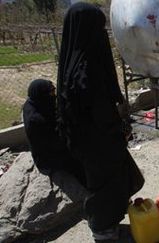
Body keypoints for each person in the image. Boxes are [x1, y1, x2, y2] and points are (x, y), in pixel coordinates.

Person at [56, 3, 144, 241]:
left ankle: (105, 226)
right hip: (100, 143)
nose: (103, 34)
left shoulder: (72, 61)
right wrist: (119, 131)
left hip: (88, 144)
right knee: (108, 187)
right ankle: (104, 232)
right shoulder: (87, 70)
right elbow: (100, 112)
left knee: (103, 184)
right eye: (99, 28)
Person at [23, 79, 85, 184]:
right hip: (47, 158)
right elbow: (55, 143)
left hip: (49, 147)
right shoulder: (36, 120)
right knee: (79, 160)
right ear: (42, 94)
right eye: (51, 92)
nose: (53, 95)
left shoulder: (33, 104)